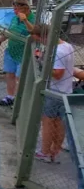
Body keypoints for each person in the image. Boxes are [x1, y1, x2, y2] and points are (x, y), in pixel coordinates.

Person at [31, 23, 72, 163]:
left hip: (55, 90)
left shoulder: (58, 51)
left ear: (43, 37)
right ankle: (55, 150)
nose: (40, 42)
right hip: (65, 90)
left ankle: (45, 152)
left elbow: (58, 74)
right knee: (59, 122)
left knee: (48, 122)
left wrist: (41, 61)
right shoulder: (66, 45)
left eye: (39, 39)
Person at [0, 0, 35, 106]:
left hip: (24, 53)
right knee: (9, 74)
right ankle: (10, 96)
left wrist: (25, 20)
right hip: (11, 51)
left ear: (24, 8)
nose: (15, 11)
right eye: (14, 9)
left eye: (17, 9)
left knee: (20, 77)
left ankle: (20, 100)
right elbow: (10, 31)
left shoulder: (33, 18)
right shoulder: (14, 18)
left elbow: (33, 32)